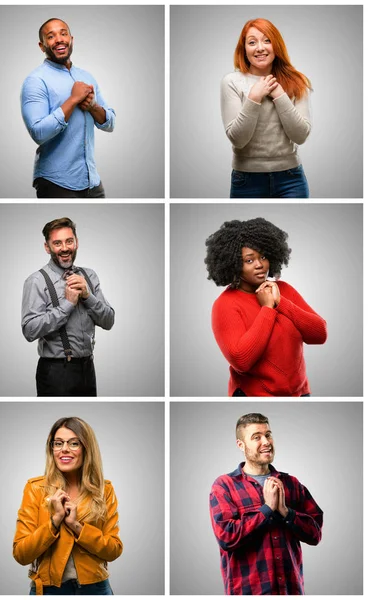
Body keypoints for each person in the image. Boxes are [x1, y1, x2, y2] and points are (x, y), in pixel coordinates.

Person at [205, 217, 327, 396]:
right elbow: (242, 360)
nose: (259, 265)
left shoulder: (283, 289)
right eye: (249, 260)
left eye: (263, 256)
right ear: (233, 264)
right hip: (252, 396)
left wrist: (281, 303)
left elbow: (319, 335)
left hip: (300, 394)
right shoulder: (225, 304)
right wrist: (268, 309)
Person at [209, 413, 322, 595]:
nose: (266, 442)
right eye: (256, 437)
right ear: (241, 445)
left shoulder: (291, 484)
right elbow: (227, 537)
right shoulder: (224, 486)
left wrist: (286, 512)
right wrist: (267, 510)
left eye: (268, 435)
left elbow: (315, 534)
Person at [14, 417, 122, 595]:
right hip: (49, 590)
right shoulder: (35, 489)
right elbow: (21, 554)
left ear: (87, 449)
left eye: (73, 443)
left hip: (96, 589)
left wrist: (77, 527)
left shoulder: (104, 490)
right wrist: (55, 521)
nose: (64, 449)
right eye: (58, 443)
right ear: (52, 449)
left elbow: (114, 550)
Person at [21, 18, 115, 198]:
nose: (59, 39)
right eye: (51, 36)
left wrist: (93, 106)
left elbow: (110, 123)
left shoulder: (86, 76)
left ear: (71, 39)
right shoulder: (35, 81)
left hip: (92, 182)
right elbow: (38, 133)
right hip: (56, 182)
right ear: (42, 46)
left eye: (63, 34)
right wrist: (72, 100)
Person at [21, 217, 114, 396]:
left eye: (69, 241)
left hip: (88, 368)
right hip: (56, 372)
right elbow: (29, 330)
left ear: (76, 243)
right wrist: (68, 304)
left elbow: (109, 321)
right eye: (57, 243)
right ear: (47, 247)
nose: (64, 248)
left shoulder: (90, 276)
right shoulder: (37, 281)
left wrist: (88, 296)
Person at [220, 19, 312, 198]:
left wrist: (279, 95)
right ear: (244, 49)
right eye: (252, 42)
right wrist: (254, 97)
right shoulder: (231, 82)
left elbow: (300, 136)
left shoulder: (297, 81)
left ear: (276, 45)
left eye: (267, 40)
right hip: (245, 180)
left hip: (291, 179)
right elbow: (238, 140)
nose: (260, 48)